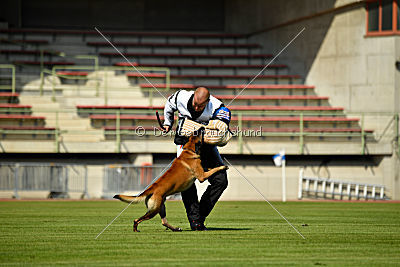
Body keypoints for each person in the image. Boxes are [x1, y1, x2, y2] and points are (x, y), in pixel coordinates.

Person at [163, 86, 231, 231]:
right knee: (187, 183)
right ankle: (195, 222)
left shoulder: (218, 107)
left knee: (221, 180)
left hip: (206, 146)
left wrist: (191, 127)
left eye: (201, 106)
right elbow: (169, 105)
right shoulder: (181, 96)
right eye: (195, 103)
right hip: (185, 144)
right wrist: (167, 123)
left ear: (208, 102)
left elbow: (220, 133)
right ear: (193, 95)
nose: (196, 107)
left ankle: (200, 215)